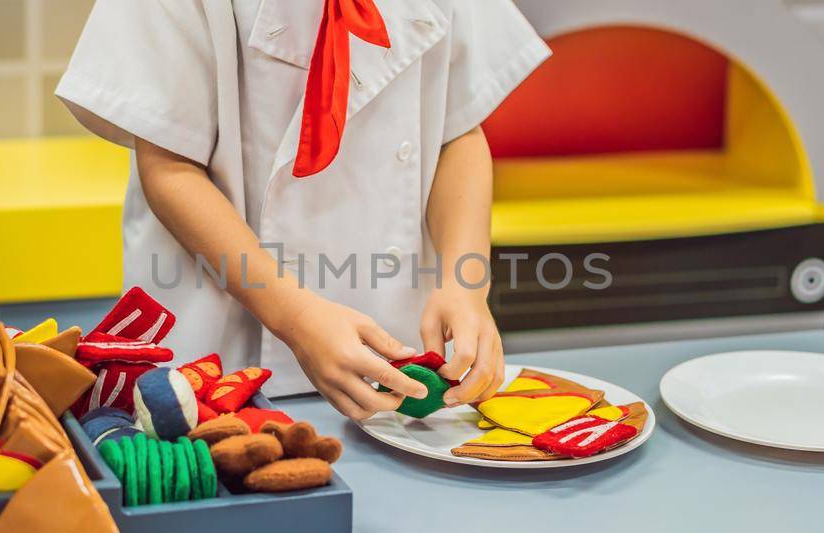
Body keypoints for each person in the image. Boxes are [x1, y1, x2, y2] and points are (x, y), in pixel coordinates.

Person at [56, 0, 549, 419]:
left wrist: (465, 285)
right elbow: (170, 168)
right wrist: (295, 316)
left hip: (393, 349)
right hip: (223, 354)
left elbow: (457, 131)